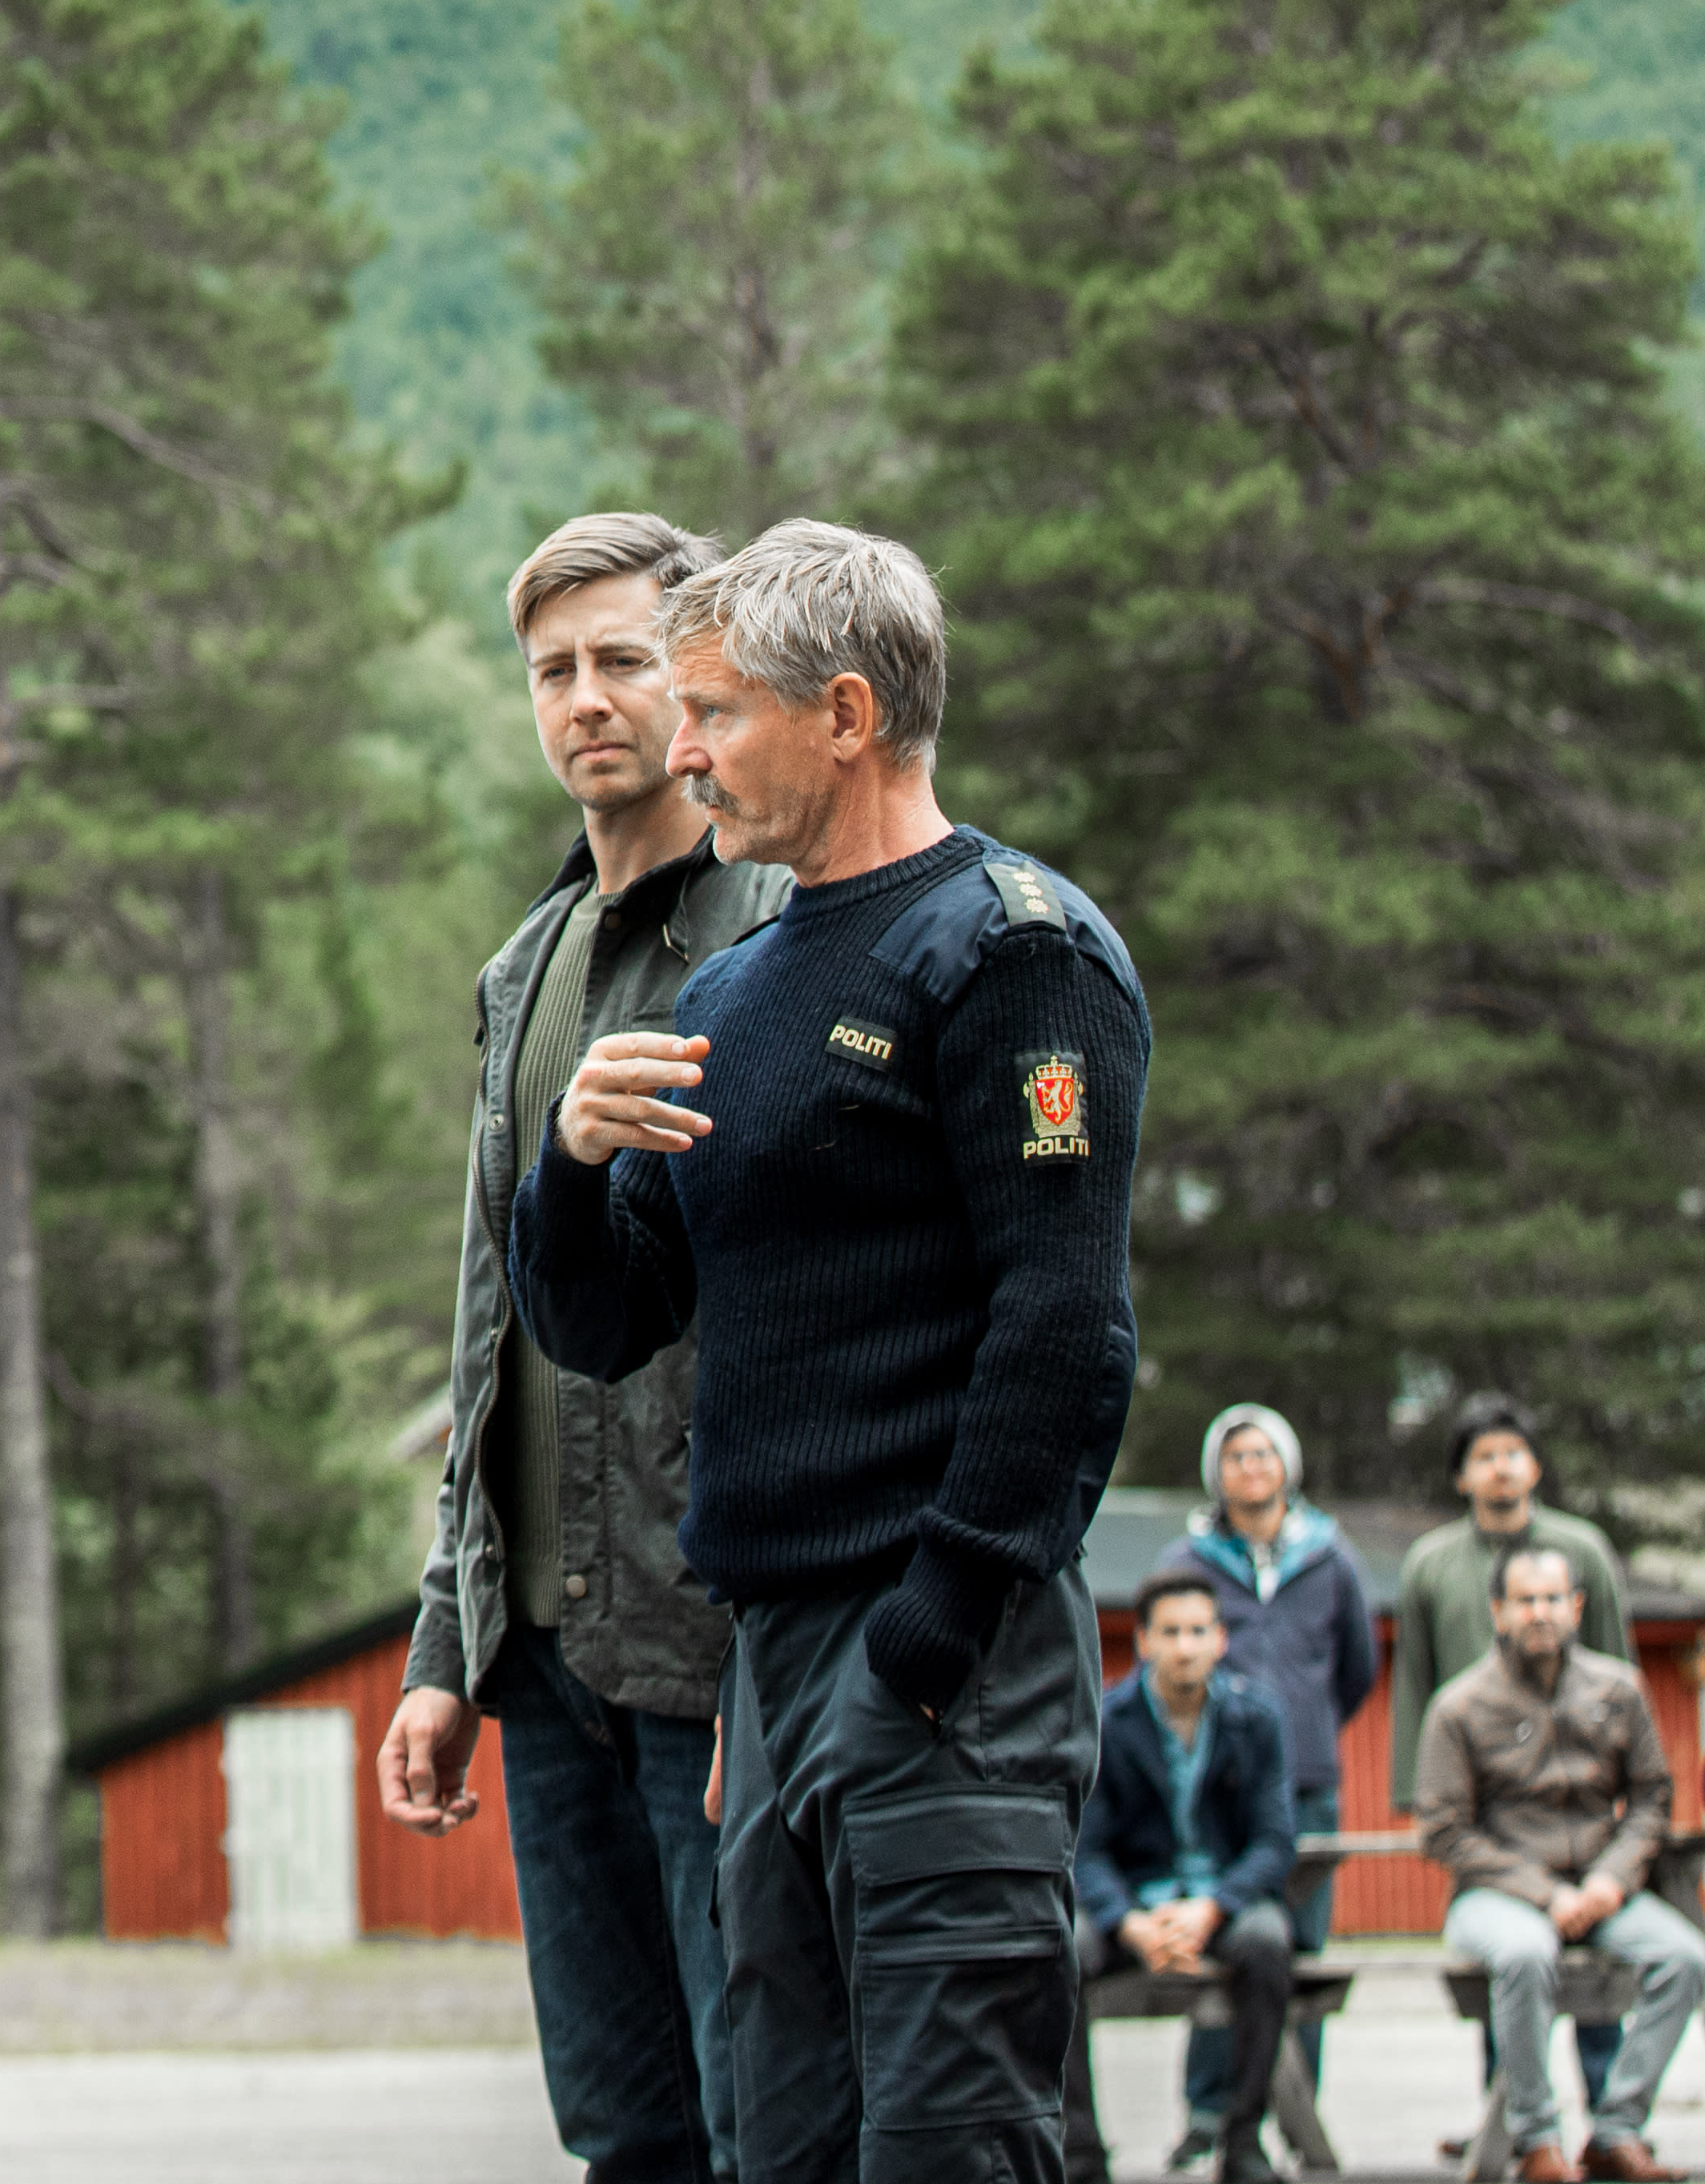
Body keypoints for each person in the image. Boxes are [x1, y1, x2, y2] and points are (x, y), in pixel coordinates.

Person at [525, 519, 1149, 2184]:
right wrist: (570, 1166)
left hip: (948, 1659)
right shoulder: (730, 994)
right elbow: (601, 1319)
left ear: (849, 714)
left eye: (718, 711)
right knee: (783, 2154)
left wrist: (923, 1647)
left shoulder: (1014, 951)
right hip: (775, 1666)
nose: (686, 747)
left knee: (950, 2153)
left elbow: (1064, 1327)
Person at [379, 513, 782, 2184]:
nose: (586, 701)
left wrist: (787, 1655)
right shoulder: (523, 969)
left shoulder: (779, 928)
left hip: (716, 1649)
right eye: (554, 670)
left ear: (697, 680)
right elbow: (490, 1333)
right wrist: (440, 1643)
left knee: (762, 2109)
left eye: (622, 660)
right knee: (622, 2129)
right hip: (541, 1659)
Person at [1417, 1542, 1705, 2183]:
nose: (1539, 1612)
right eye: (1524, 1599)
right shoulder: (1458, 1705)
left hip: (1602, 1888)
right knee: (1524, 1954)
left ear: (1576, 1607)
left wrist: (1611, 1877)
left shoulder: (1618, 1687)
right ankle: (1536, 2141)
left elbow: (1652, 1795)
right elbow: (1441, 1830)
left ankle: (1616, 2128)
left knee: (1684, 1956)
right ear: (1498, 1610)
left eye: (1552, 1598)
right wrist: (1543, 1893)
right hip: (1495, 1895)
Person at [1395, 1398, 1639, 2113]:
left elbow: (1618, 1667)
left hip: (1578, 1789)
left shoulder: (1581, 1550)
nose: (1500, 1468)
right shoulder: (1430, 1563)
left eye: (1512, 1452)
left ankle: (1605, 2106)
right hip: (1478, 1799)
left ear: (1533, 1465)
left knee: (1595, 1944)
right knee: (1508, 1952)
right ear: (1460, 1475)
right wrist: (1419, 1794)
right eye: (1483, 1456)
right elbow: (1412, 1678)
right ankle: (1503, 2112)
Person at [1167, 1404, 1375, 2159]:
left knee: (1302, 1952)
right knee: (1218, 1937)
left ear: (1285, 1464)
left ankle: (1294, 2110)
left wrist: (1305, 1729)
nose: (1250, 1467)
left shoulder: (1330, 1556)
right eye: (1235, 1455)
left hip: (1309, 1786)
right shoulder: (1189, 1560)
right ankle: (1207, 2110)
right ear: (1214, 1472)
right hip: (1216, 1787)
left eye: (1262, 1453)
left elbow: (1356, 1668)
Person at [1064, 1570, 1301, 2184]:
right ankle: (1081, 2155)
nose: (1185, 1645)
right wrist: (1131, 1923)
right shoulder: (1105, 1721)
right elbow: (1084, 1849)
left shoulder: (1256, 1717)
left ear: (1220, 1638)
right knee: (1057, 1951)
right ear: (1143, 1640)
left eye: (1198, 1630)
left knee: (1268, 1941)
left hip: (1220, 1901)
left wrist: (1214, 1907)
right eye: (1169, 1631)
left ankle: (1242, 2141)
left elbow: (1274, 1841)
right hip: (1133, 1902)